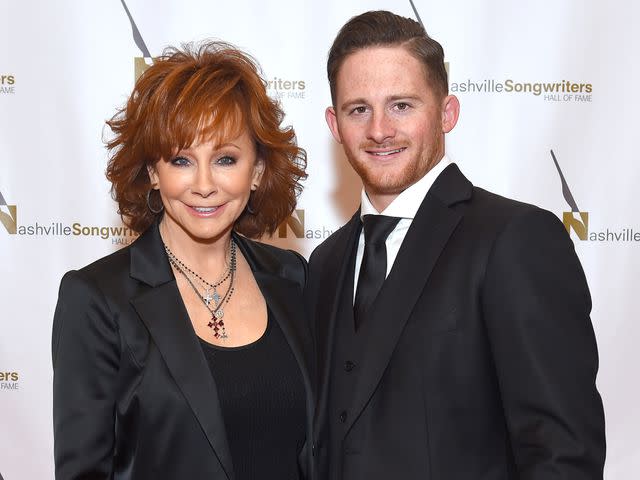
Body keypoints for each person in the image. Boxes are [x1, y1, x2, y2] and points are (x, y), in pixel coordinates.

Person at [306, 10, 605, 480]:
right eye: (358, 108)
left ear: (447, 113)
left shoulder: (515, 239)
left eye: (402, 105)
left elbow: (561, 454)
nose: (379, 129)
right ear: (334, 123)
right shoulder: (325, 264)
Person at [52, 41, 312, 480]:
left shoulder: (292, 278)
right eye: (181, 160)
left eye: (226, 158)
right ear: (154, 172)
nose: (204, 184)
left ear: (259, 171)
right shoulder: (97, 300)